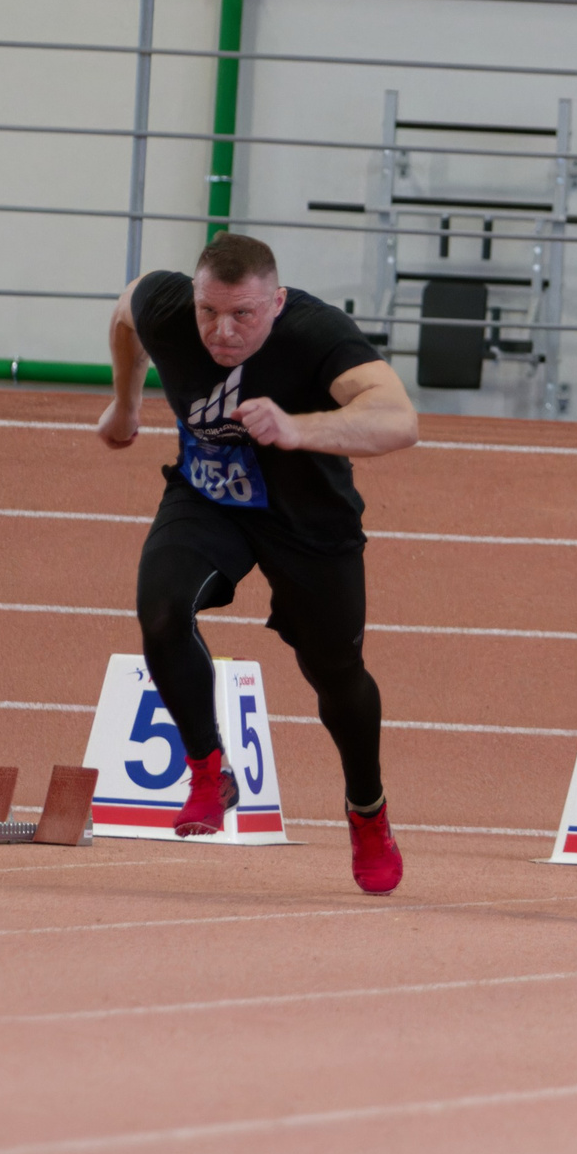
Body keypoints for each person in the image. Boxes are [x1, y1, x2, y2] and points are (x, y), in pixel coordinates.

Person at [97, 233, 418, 893]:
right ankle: (208, 767)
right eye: (209, 311)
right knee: (160, 607)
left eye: (243, 314)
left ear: (274, 301)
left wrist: (300, 428)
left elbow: (397, 418)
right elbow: (125, 310)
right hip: (211, 495)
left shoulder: (314, 331)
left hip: (308, 516)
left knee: (337, 677)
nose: (221, 331)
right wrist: (126, 401)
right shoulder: (167, 308)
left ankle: (367, 811)